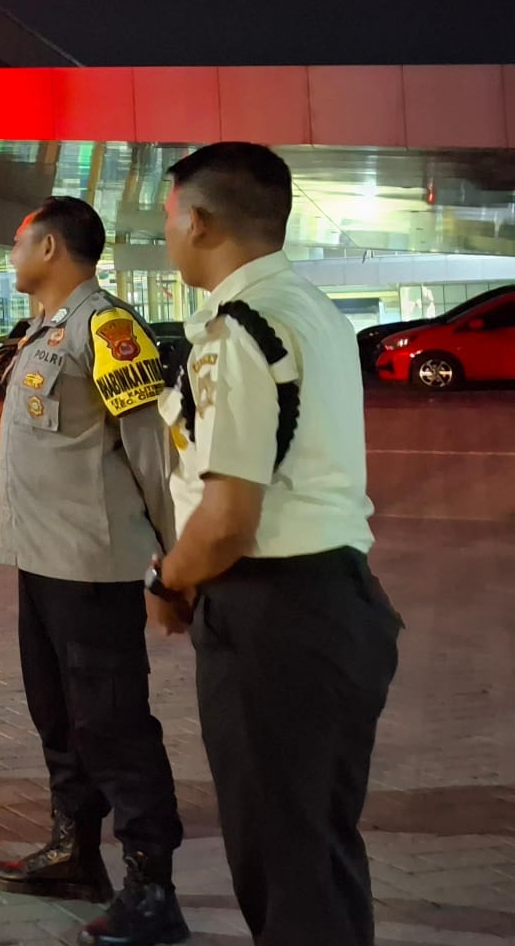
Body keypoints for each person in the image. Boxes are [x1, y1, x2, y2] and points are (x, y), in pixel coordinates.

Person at [150, 143, 402, 946]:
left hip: (272, 616)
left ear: (199, 220)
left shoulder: (239, 330)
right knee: (318, 846)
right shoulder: (313, 309)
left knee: (283, 857)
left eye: (168, 217)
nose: (166, 233)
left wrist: (169, 580)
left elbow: (229, 516)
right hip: (333, 602)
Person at [0, 197, 189, 946]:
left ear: (48, 247)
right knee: (58, 713)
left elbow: (152, 452)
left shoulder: (106, 329)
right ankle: (74, 849)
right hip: (39, 559)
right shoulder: (45, 330)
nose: (11, 256)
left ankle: (152, 886)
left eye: (18, 242)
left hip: (91, 565)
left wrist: (173, 558)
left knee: (113, 722)